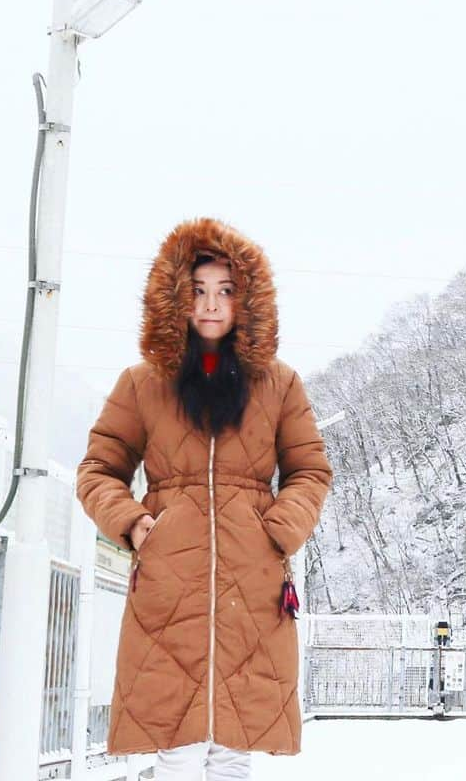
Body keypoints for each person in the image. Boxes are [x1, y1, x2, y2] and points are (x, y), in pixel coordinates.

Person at [76, 217, 333, 780]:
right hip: (169, 581)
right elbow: (99, 470)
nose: (212, 305)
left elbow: (309, 470)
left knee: (231, 748)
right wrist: (138, 525)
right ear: (175, 299)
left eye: (225, 292)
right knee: (176, 744)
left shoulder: (280, 383)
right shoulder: (142, 383)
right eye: (198, 291)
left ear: (247, 301)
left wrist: (278, 529)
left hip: (253, 579)